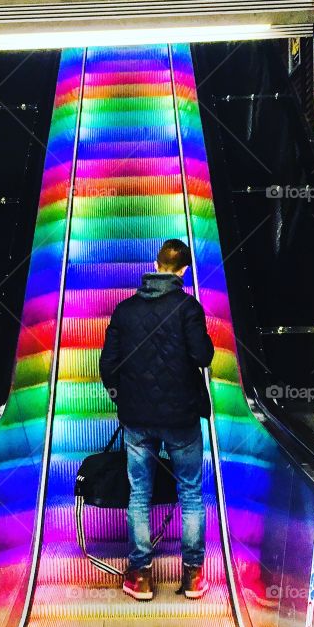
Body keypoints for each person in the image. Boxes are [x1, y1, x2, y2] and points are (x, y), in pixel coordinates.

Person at [99, 239, 215, 602]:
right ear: (183, 271)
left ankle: (143, 577)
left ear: (155, 264)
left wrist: (123, 396)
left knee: (140, 495)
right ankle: (193, 577)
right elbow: (204, 356)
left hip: (138, 419)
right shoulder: (188, 308)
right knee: (192, 495)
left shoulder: (125, 310)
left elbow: (108, 366)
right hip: (181, 418)